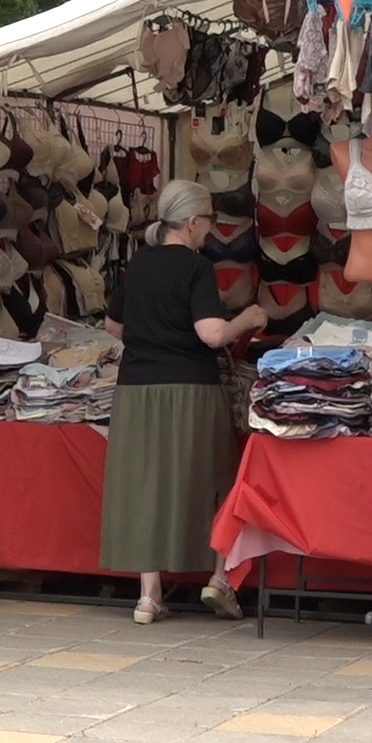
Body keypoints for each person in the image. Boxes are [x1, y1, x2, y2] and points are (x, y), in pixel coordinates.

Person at [101, 180, 267, 624]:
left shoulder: (138, 265)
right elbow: (211, 334)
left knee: (146, 486)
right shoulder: (196, 269)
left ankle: (148, 596)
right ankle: (219, 579)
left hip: (136, 391)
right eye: (210, 219)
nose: (212, 228)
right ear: (193, 222)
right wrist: (246, 319)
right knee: (211, 478)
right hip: (190, 389)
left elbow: (113, 327)